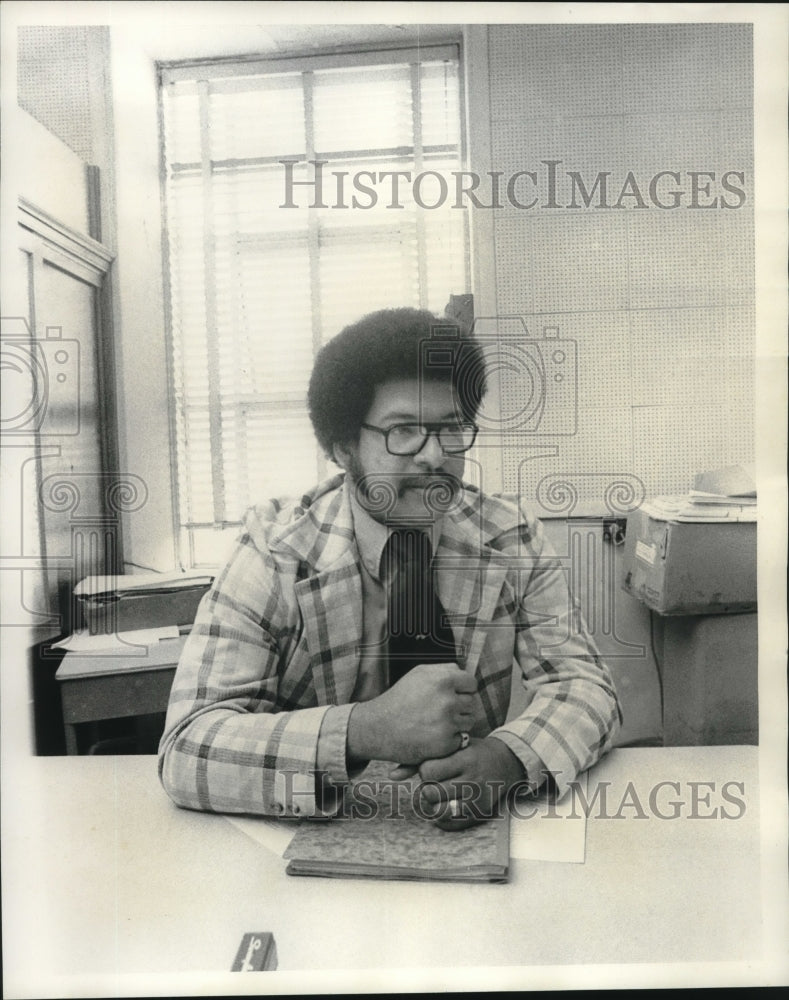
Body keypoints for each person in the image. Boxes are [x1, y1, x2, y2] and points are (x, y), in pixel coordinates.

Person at [158, 308, 621, 828]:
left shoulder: (511, 535)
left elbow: (585, 687)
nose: (434, 456)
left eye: (450, 429)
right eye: (403, 431)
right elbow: (186, 746)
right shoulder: (275, 547)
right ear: (342, 448)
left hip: (463, 831)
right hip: (298, 832)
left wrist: (507, 761)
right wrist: (364, 729)